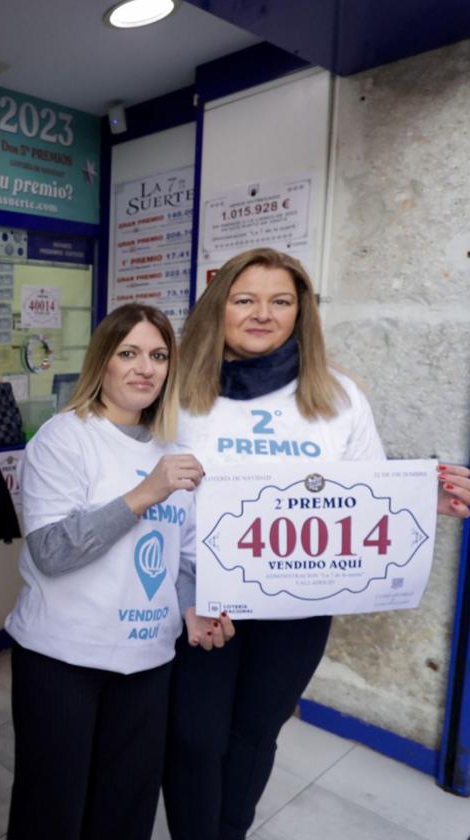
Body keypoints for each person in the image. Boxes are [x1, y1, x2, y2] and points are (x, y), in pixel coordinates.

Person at [161, 247, 470, 840]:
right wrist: (183, 596)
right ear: (218, 307)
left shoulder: (338, 397)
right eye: (244, 299)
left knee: (257, 730)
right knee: (193, 736)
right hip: (202, 600)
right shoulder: (178, 392)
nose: (262, 313)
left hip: (297, 604)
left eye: (280, 301)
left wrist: (424, 498)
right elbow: (151, 501)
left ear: (301, 312)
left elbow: (363, 493)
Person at [3, 303, 228, 840]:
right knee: (51, 810)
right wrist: (145, 493)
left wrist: (191, 606)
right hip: (63, 659)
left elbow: (181, 554)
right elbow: (52, 552)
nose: (144, 368)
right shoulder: (65, 437)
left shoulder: (174, 450)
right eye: (128, 353)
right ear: (102, 362)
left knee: (126, 808)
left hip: (148, 659)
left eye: (157, 355)